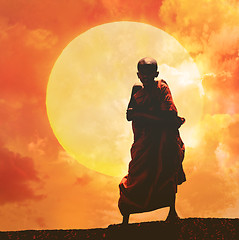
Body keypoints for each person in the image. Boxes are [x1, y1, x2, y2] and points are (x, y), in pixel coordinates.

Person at [118, 57, 186, 225]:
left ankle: (172, 212)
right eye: (143, 75)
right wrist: (144, 114)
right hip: (144, 141)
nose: (146, 78)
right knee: (135, 175)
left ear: (156, 74)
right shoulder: (136, 90)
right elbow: (128, 115)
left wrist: (141, 114)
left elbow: (169, 114)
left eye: (150, 75)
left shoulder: (162, 88)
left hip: (163, 138)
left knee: (167, 171)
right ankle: (126, 217)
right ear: (138, 75)